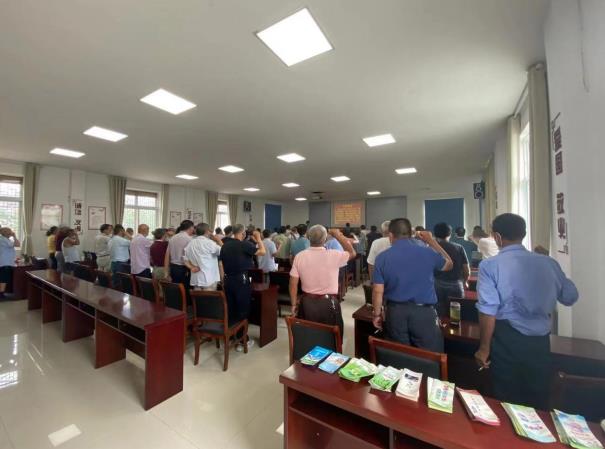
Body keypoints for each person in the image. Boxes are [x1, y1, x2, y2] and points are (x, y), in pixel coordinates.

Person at [474, 213, 578, 410]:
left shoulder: (489, 265)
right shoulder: (548, 262)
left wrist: (484, 348)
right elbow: (570, 297)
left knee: (506, 399)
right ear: (523, 234)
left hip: (507, 339)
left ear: (497, 237)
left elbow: (488, 310)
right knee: (537, 397)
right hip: (540, 342)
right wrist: (550, 263)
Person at [372, 218, 453, 352]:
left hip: (395, 312)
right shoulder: (427, 252)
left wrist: (377, 314)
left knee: (399, 356)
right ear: (411, 234)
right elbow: (449, 264)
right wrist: (431, 241)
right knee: (429, 357)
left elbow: (377, 291)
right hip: (424, 313)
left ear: (390, 235)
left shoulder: (382, 257)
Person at [289, 226, 355, 336]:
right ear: (325, 239)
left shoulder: (300, 256)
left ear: (308, 238)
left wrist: (293, 304)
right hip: (329, 303)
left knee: (308, 335)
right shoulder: (334, 254)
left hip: (307, 303)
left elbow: (293, 284)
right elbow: (352, 252)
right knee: (331, 338)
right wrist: (337, 235)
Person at [220, 225, 266, 350]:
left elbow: (221, 264)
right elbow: (263, 252)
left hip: (228, 280)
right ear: (243, 233)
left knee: (231, 308)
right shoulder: (244, 244)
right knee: (242, 309)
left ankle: (231, 336)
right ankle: (242, 340)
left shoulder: (225, 245)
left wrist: (223, 280)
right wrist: (258, 238)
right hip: (241, 280)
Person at [433, 222, 469, 317]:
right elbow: (466, 270)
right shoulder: (459, 248)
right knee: (456, 315)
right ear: (450, 234)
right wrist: (464, 281)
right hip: (455, 284)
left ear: (435, 234)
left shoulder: (431, 248)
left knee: (438, 314)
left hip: (436, 284)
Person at [183, 223, 223, 290]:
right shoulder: (209, 243)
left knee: (197, 297)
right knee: (209, 297)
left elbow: (185, 260)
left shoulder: (190, 243)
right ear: (207, 231)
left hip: (196, 279)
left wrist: (191, 267)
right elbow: (224, 251)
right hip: (209, 279)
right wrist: (218, 240)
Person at [164, 220, 194, 285]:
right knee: (184, 289)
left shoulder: (172, 238)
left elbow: (167, 256)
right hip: (184, 268)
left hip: (173, 268)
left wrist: (166, 272)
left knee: (175, 288)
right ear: (191, 228)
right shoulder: (189, 239)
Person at [0, 227, 19, 299]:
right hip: (5, 262)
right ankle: (1, 294)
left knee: (4, 278)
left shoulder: (6, 239)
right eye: (10, 231)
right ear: (5, 232)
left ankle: (2, 293)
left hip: (7, 261)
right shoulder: (3, 239)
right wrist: (14, 236)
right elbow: (17, 244)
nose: (11, 232)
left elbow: (17, 244)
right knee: (3, 278)